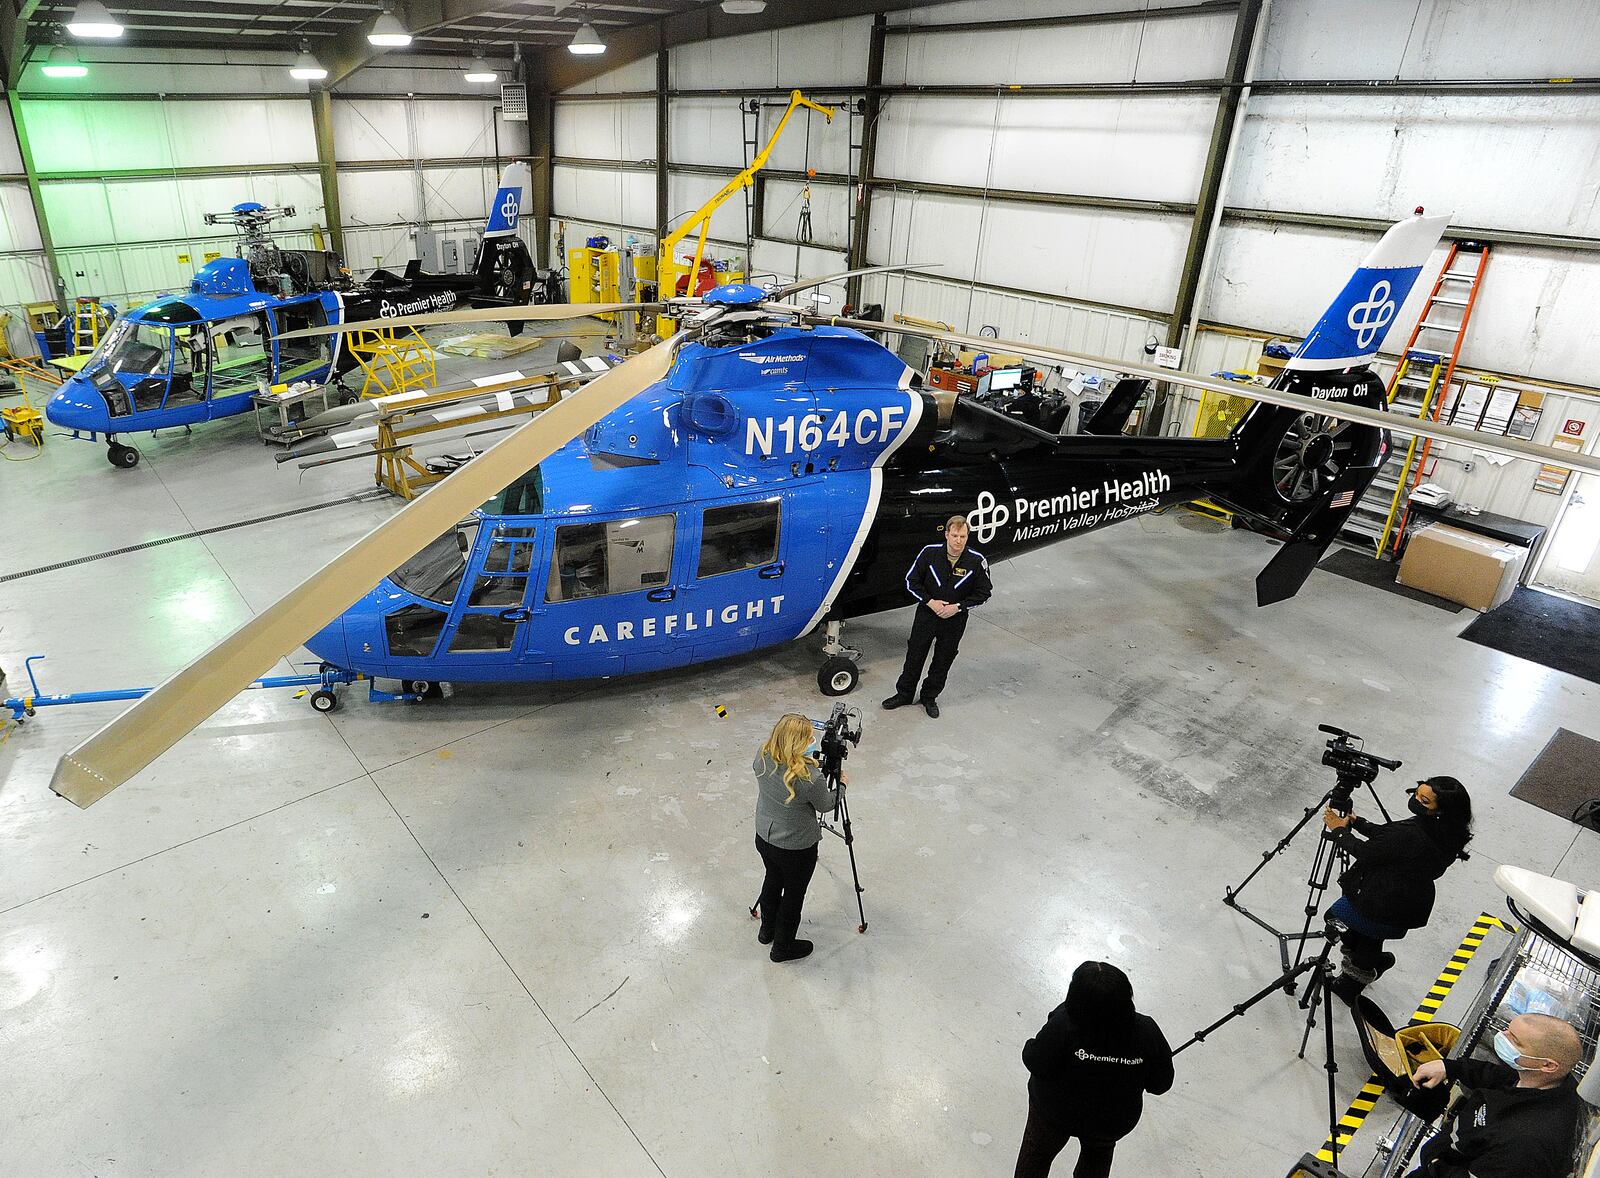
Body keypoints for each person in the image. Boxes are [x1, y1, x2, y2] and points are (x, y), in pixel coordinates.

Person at [1014, 961, 1174, 1178]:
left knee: (1038, 1154)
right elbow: (1160, 1084)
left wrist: (1029, 1045)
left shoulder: (1064, 1023)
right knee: (1097, 1160)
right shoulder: (1146, 1030)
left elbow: (1036, 1061)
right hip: (1110, 1122)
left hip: (1054, 1112)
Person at [1322, 775, 1473, 994]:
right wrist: (1359, 823)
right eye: (1417, 793)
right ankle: (1370, 961)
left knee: (1335, 918)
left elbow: (1367, 852)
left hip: (1380, 899)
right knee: (1370, 936)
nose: (1416, 800)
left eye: (1424, 801)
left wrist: (1339, 831)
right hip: (1405, 903)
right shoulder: (1445, 831)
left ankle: (1354, 980)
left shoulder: (1411, 833)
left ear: (1439, 810)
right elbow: (1390, 840)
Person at [1406, 1013, 1583, 1178]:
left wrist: (1435, 1163)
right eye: (1507, 1030)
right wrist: (1451, 1067)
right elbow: (1499, 1077)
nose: (1502, 1037)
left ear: (1548, 1065)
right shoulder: (1548, 1081)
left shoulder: (1523, 1143)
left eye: (1514, 1040)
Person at [752, 713, 843, 963]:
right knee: (793, 894)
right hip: (795, 848)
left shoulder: (762, 755)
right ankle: (783, 947)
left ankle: (766, 931)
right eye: (809, 738)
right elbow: (825, 805)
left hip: (764, 836)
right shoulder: (810, 778)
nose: (814, 740)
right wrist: (842, 785)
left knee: (772, 879)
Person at [882, 514, 993, 719]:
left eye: (963, 536)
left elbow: (984, 593)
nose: (958, 540)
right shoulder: (929, 554)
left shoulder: (976, 562)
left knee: (944, 659)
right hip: (927, 615)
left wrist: (958, 607)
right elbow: (911, 581)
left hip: (955, 620)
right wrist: (930, 602)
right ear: (947, 534)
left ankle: (929, 697)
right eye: (955, 535)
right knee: (915, 655)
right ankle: (904, 694)